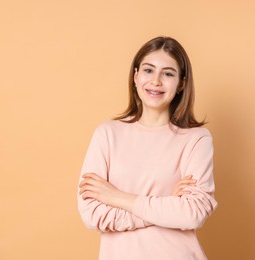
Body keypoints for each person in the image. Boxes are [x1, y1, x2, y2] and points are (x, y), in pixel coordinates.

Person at [77, 36, 217, 260]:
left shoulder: (196, 139)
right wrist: (165, 207)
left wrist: (117, 197)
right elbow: (92, 214)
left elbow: (193, 214)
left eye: (168, 73)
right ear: (135, 76)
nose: (156, 81)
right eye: (148, 70)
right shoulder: (107, 134)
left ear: (181, 83)